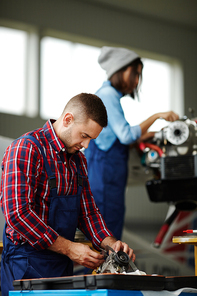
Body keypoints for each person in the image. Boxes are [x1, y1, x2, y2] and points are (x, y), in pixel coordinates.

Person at [0, 93, 135, 296]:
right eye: (84, 136)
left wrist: (110, 244)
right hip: (24, 267)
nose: (86, 145)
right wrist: (69, 248)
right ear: (68, 119)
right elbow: (18, 214)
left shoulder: (78, 162)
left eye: (92, 139)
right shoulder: (26, 149)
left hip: (61, 268)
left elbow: (88, 213)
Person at [85, 46, 179, 240]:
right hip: (105, 180)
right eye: (135, 74)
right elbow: (126, 135)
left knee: (109, 231)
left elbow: (116, 137)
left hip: (109, 179)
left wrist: (150, 134)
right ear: (121, 69)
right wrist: (157, 116)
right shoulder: (108, 95)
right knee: (106, 235)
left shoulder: (108, 95)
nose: (137, 81)